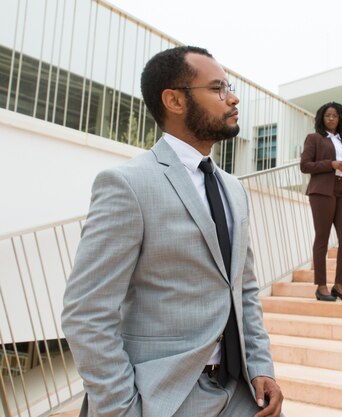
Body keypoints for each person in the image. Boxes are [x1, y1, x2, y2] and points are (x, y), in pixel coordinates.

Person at [62, 46, 283, 417]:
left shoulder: (234, 189)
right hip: (165, 399)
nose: (232, 97)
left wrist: (261, 367)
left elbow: (243, 288)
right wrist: (122, 409)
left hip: (241, 393)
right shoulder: (127, 184)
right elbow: (86, 313)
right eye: (217, 88)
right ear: (175, 100)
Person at [300, 102, 342, 302]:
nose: (331, 119)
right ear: (321, 119)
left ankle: (339, 285)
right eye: (327, 116)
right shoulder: (314, 138)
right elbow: (305, 166)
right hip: (322, 191)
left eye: (335, 116)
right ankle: (321, 285)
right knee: (322, 238)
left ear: (340, 119)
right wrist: (330, 164)